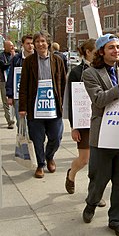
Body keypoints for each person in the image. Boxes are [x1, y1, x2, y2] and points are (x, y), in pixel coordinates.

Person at [81, 33, 119, 236]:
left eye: (118, 47)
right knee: (98, 179)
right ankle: (91, 203)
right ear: (101, 51)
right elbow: (99, 100)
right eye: (111, 48)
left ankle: (116, 219)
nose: (116, 51)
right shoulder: (90, 73)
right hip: (102, 135)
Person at [19, 31, 66, 179]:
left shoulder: (57, 60)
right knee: (37, 138)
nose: (40, 44)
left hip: (53, 107)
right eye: (37, 41)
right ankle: (40, 164)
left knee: (56, 137)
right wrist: (22, 108)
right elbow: (24, 86)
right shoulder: (29, 62)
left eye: (42, 41)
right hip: (35, 107)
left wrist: (64, 104)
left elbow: (63, 83)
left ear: (48, 43)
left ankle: (49, 156)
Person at [64, 38, 105, 209]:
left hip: (101, 120)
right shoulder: (76, 73)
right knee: (84, 159)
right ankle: (71, 174)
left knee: (99, 162)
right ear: (88, 52)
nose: (100, 54)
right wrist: (74, 127)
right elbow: (73, 102)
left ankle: (94, 194)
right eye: (97, 50)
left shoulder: (103, 69)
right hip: (84, 122)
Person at [6, 35, 34, 129]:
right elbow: (11, 77)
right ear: (22, 45)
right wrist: (10, 95)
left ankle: (32, 140)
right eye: (28, 43)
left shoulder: (38, 58)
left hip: (34, 95)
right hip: (18, 96)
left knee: (33, 123)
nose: (30, 46)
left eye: (32, 43)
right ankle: (22, 141)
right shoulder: (16, 59)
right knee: (21, 122)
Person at [0, 40, 15, 129]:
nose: (12, 47)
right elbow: (4, 65)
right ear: (5, 47)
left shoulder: (15, 56)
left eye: (13, 46)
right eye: (10, 46)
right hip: (3, 81)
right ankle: (10, 121)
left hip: (12, 80)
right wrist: (12, 59)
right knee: (6, 101)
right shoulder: (1, 56)